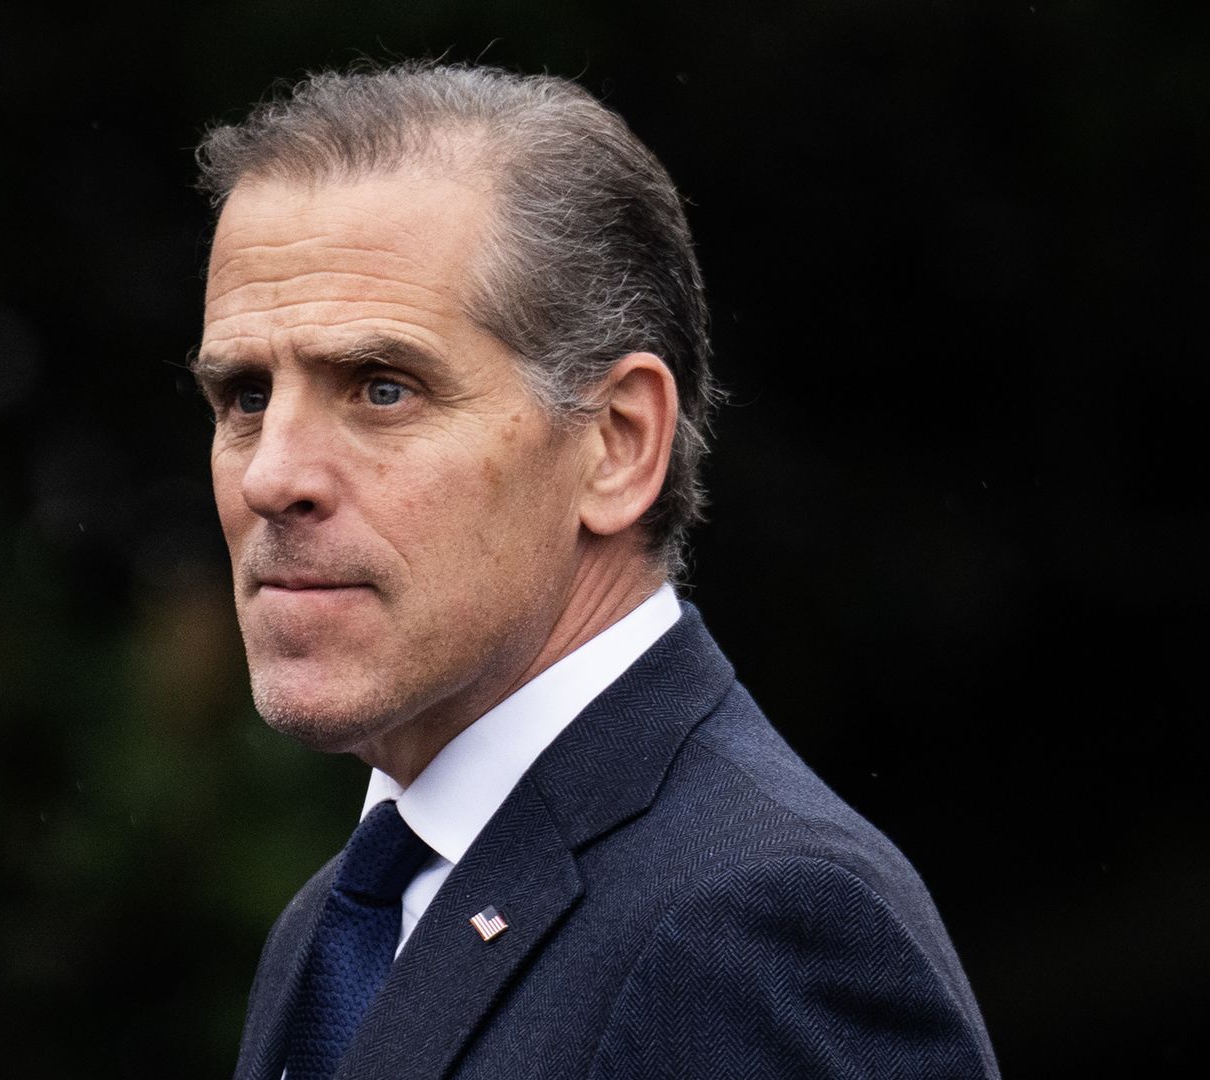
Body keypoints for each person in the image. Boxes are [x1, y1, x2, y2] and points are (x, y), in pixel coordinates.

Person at [190, 61, 998, 1080]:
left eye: (382, 389)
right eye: (246, 397)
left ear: (617, 445)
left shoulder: (752, 925)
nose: (273, 476)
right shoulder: (341, 926)